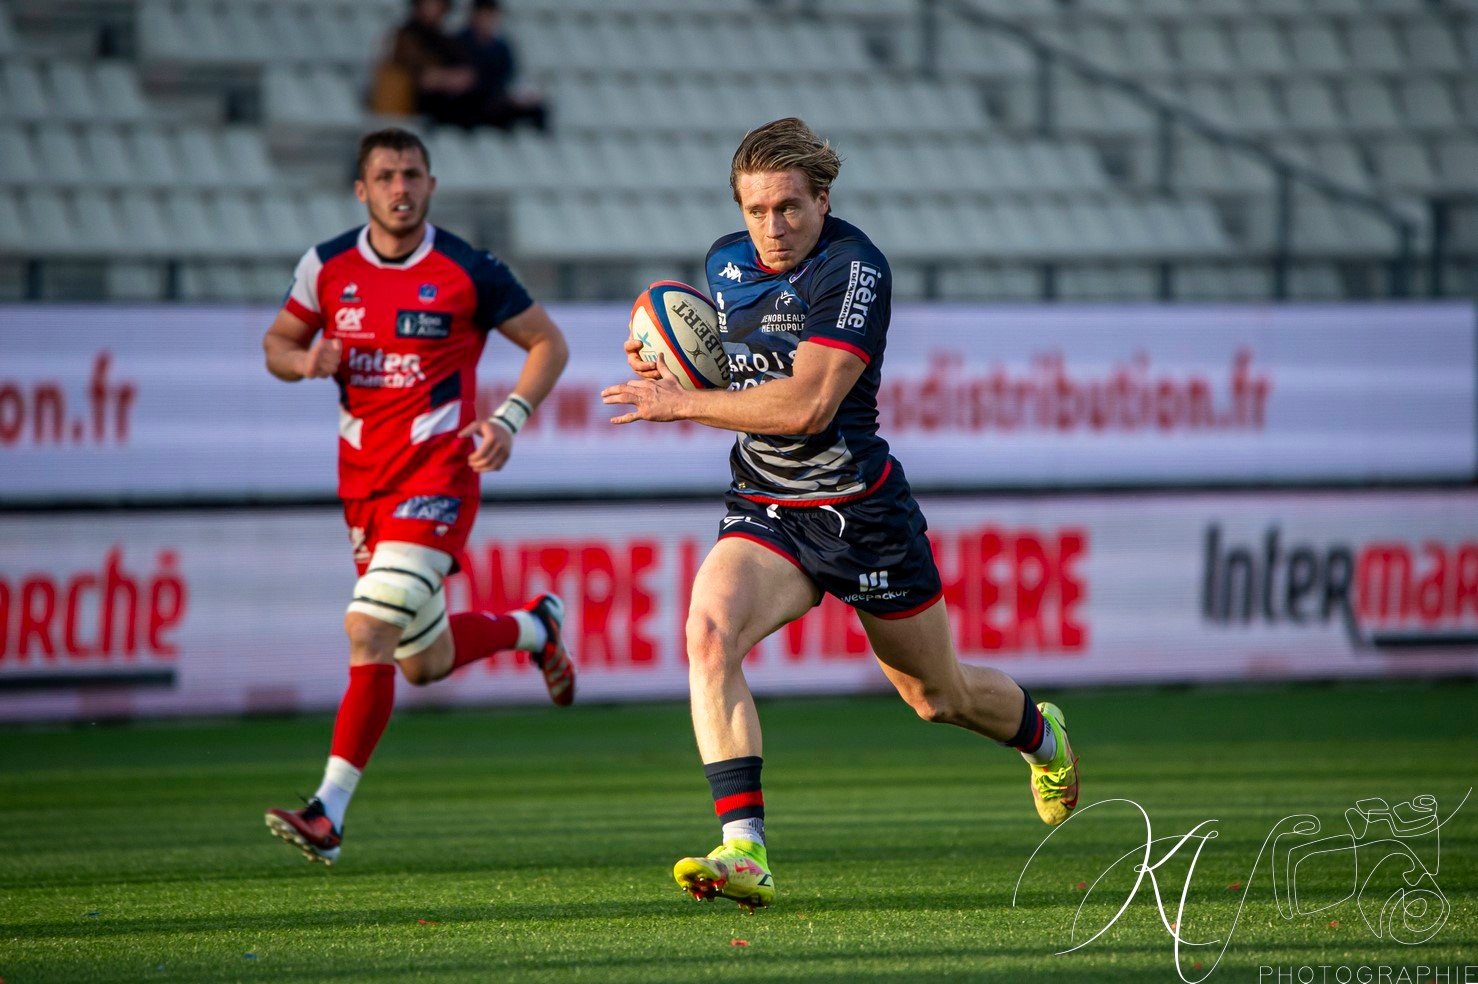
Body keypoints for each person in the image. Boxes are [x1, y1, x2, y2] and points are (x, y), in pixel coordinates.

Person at [601, 118, 1080, 912]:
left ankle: (1044, 737)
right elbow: (721, 354)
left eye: (789, 207)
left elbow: (809, 404)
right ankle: (743, 848)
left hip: (860, 513)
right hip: (766, 506)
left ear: (822, 200)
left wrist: (680, 399)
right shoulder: (724, 263)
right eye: (757, 209)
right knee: (708, 633)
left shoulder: (855, 269)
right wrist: (656, 349)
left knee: (938, 697)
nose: (772, 227)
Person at [262, 127, 573, 865]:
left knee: (367, 629)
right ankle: (536, 627)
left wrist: (508, 419)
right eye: (385, 176)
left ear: (430, 186)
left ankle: (326, 813)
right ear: (361, 190)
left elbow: (548, 344)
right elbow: (275, 346)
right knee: (422, 662)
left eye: (412, 175)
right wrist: (305, 360)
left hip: (438, 479)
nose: (399, 188)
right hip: (364, 489)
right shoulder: (327, 267)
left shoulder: (467, 269)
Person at [386, 0, 483, 128]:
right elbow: (422, 77)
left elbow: (467, 72)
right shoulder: (406, 36)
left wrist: (450, 78)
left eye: (438, 5)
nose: (434, 9)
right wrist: (446, 78)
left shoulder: (444, 38)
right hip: (415, 100)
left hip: (446, 97)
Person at [457, 0, 548, 132]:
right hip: (473, 99)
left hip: (499, 98)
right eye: (485, 16)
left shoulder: (502, 46)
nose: (488, 21)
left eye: (491, 16)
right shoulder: (460, 43)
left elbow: (510, 76)